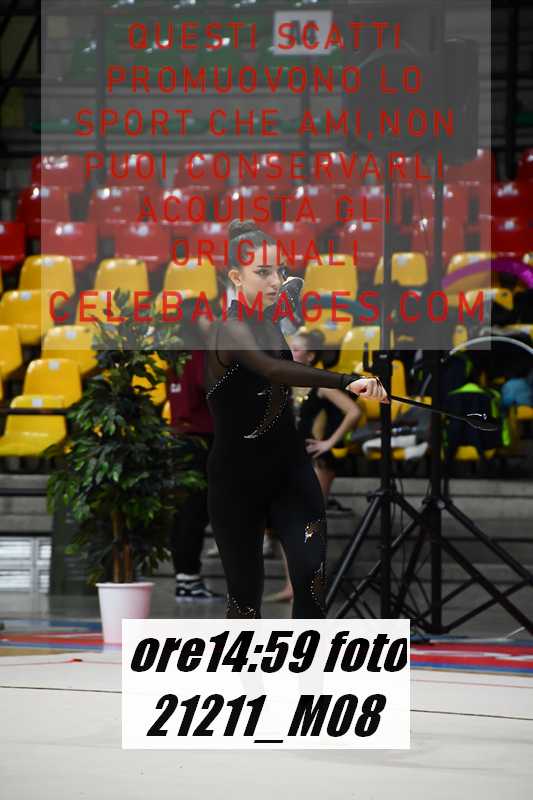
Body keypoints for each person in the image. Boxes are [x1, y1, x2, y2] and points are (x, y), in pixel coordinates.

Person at [205, 219, 389, 619]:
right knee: (244, 602)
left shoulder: (269, 318)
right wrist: (346, 380)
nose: (274, 281)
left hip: (291, 472)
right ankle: (245, 663)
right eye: (262, 272)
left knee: (311, 583)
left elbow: (292, 288)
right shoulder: (229, 330)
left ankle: (309, 661)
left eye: (279, 270)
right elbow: (273, 369)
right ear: (235, 276)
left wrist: (289, 284)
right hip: (237, 479)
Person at [265, 327, 363, 604]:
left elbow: (353, 411)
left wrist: (329, 442)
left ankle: (309, 586)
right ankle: (292, 587)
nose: (290, 352)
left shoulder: (319, 383)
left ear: (310, 356)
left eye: (297, 349)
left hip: (315, 461)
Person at [166, 307, 222, 602]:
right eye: (205, 315)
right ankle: (189, 579)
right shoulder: (201, 353)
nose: (211, 320)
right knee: (195, 512)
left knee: (184, 512)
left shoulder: (175, 355)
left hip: (180, 438)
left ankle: (184, 577)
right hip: (201, 439)